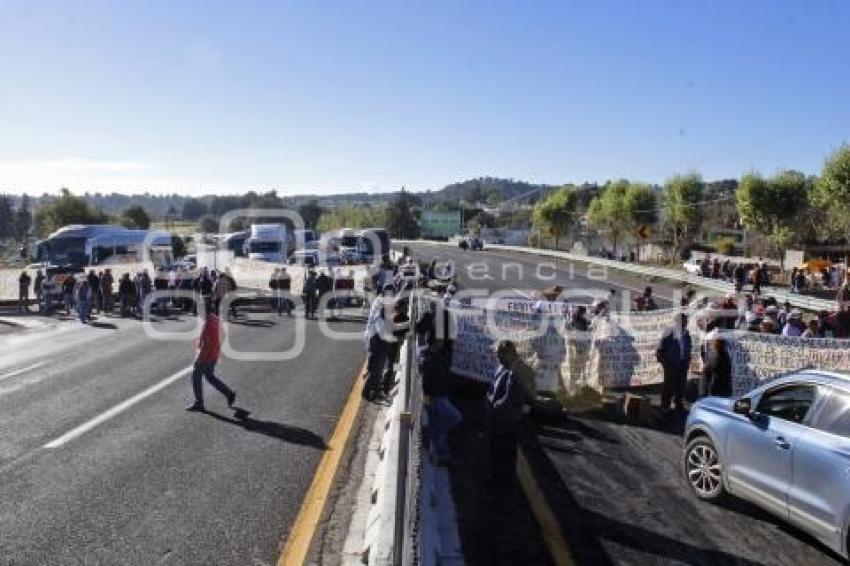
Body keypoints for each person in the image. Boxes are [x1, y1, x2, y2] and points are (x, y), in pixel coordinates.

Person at [487, 340, 533, 483]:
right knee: (504, 450)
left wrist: (494, 406)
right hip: (504, 418)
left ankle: (501, 481)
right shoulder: (506, 368)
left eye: (500, 355)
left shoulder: (515, 373)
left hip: (506, 419)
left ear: (508, 355)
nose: (498, 358)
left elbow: (510, 400)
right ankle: (502, 477)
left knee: (503, 450)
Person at [187, 301, 236, 412]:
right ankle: (228, 393)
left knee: (196, 377)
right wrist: (216, 349)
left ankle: (199, 403)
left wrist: (200, 359)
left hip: (206, 356)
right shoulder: (215, 319)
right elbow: (222, 335)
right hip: (214, 354)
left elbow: (207, 344)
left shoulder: (208, 324)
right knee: (209, 376)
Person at [420, 337, 460, 465]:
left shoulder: (434, 355)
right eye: (439, 341)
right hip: (434, 397)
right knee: (454, 418)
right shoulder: (427, 359)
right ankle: (436, 446)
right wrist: (427, 399)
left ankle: (440, 454)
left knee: (437, 423)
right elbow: (426, 381)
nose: (442, 343)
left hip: (438, 395)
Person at [656, 313, 692, 412]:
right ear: (678, 321)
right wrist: (665, 362)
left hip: (682, 363)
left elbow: (688, 348)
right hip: (671, 363)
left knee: (681, 385)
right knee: (669, 385)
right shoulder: (669, 332)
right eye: (684, 321)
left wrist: (688, 360)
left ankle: (678, 404)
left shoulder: (686, 333)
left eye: (686, 321)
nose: (686, 323)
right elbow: (660, 348)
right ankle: (665, 405)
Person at [362, 293, 396, 401]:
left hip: (381, 348)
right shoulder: (379, 318)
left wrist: (406, 324)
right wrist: (394, 339)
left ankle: (376, 392)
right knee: (375, 373)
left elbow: (392, 327)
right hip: (377, 349)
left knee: (379, 371)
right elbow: (383, 335)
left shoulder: (385, 317)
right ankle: (366, 393)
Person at [700, 329, 732, 398]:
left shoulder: (715, 355)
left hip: (715, 389)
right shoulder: (725, 354)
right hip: (724, 388)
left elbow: (706, 373)